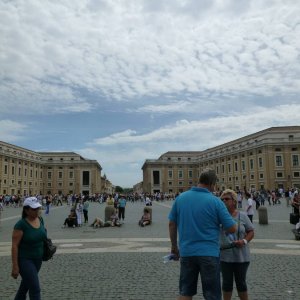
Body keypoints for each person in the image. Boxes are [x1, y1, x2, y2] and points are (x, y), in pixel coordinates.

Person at [168, 169, 237, 300]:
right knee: (212, 296)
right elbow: (232, 228)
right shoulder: (216, 201)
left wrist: (174, 247)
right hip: (209, 253)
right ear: (212, 183)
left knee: (185, 293)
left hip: (187, 252)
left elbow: (171, 224)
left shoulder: (180, 198)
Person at [220, 189, 254, 300]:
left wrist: (244, 241)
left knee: (241, 284)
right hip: (225, 257)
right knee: (226, 284)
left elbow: (251, 231)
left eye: (226, 199)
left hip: (241, 257)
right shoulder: (218, 217)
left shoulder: (243, 216)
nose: (224, 201)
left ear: (234, 201)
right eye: (222, 199)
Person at [11, 196, 47, 300]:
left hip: (38, 259)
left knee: (25, 287)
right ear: (26, 210)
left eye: (38, 208)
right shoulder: (21, 225)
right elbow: (14, 246)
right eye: (34, 209)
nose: (37, 211)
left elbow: (42, 236)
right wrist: (15, 266)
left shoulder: (40, 219)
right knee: (35, 289)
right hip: (25, 260)